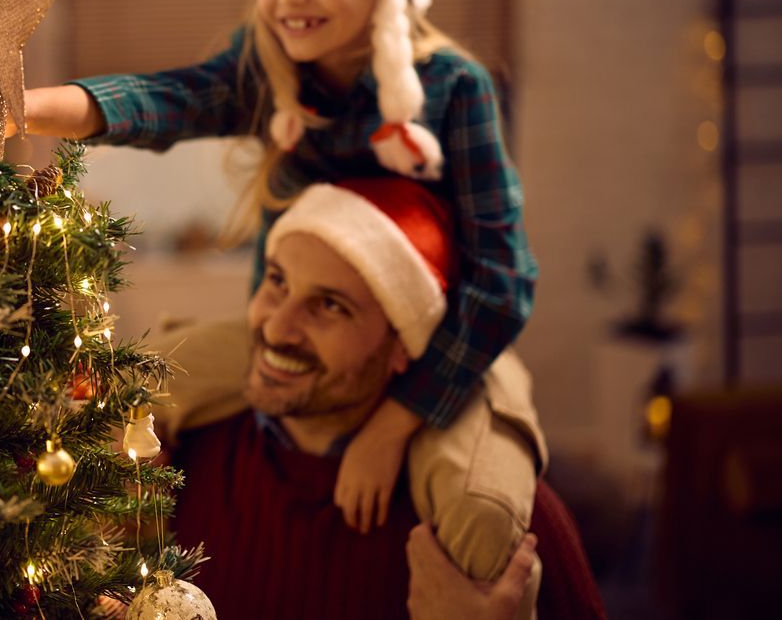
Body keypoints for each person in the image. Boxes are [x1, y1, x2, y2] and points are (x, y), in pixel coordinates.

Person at [0, 0, 539, 585]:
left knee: (482, 504)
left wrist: (393, 425)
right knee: (124, 406)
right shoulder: (267, 68)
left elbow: (504, 283)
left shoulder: (453, 90)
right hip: (293, 339)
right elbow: (163, 99)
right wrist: (21, 103)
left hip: (441, 349)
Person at [162, 177, 603, 619]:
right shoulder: (184, 457)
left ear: (401, 348)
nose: (278, 328)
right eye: (277, 280)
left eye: (331, 306)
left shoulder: (495, 527)